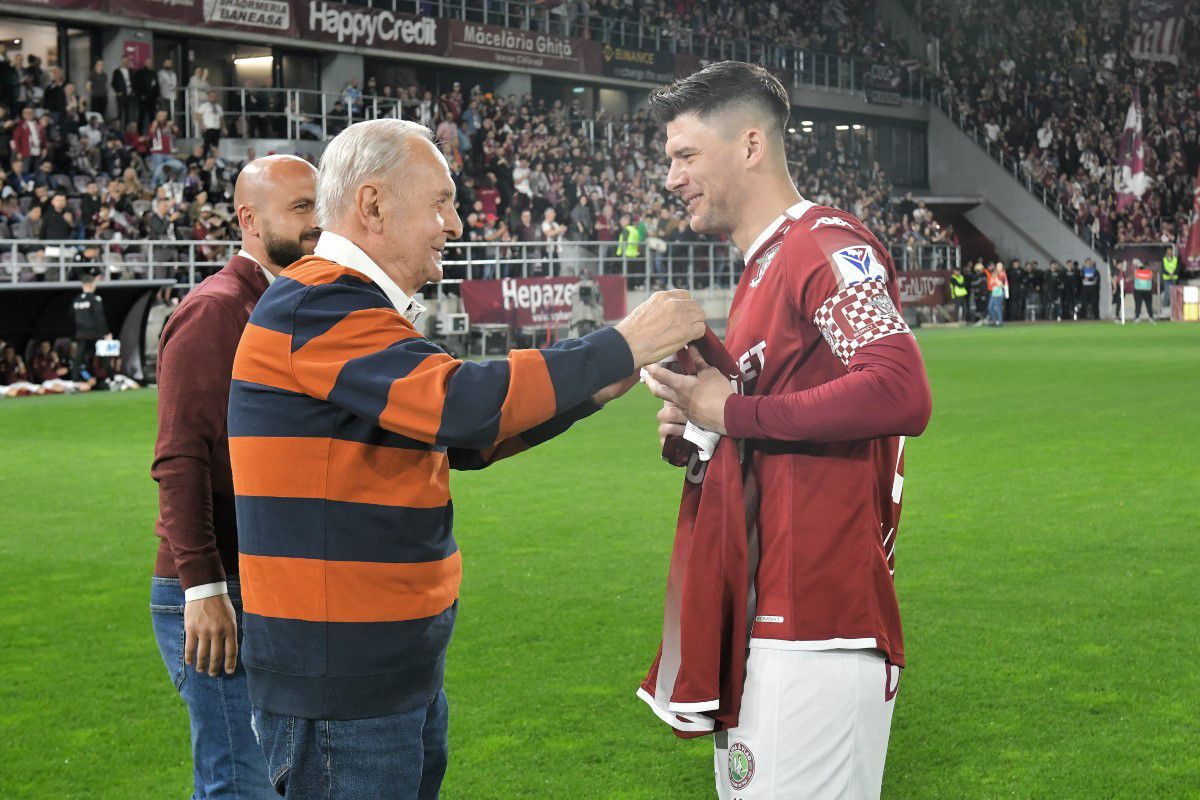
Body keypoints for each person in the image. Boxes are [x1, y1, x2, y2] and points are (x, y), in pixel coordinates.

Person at [228, 118, 704, 800]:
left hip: (378, 671)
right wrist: (619, 343)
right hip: (343, 683)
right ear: (372, 207)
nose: (454, 224)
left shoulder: (344, 304)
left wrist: (596, 385)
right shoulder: (318, 301)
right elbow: (462, 405)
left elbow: (461, 439)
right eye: (441, 203)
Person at [640, 61, 931, 800]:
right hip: (767, 618)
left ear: (750, 145)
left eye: (685, 155)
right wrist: (702, 427)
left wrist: (732, 413)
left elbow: (900, 387)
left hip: (820, 624)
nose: (671, 178)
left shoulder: (823, 243)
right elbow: (774, 423)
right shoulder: (761, 270)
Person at [150, 154, 322, 800]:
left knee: (270, 781)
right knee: (241, 785)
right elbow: (179, 457)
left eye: (320, 205)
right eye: (301, 207)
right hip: (216, 587)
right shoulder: (216, 310)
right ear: (249, 219)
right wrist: (202, 586)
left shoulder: (287, 303)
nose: (318, 221)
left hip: (263, 579)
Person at [72, 269, 110, 378]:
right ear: (91, 284)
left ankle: (75, 381)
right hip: (95, 334)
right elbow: (99, 317)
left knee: (78, 359)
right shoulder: (95, 299)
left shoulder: (76, 300)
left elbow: (71, 317)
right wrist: (106, 332)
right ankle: (111, 379)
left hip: (81, 334)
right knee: (104, 357)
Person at [1131, 259, 1156, 323]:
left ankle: (1137, 317)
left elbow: (1132, 280)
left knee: (1138, 304)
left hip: (1138, 290)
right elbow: (1153, 281)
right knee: (1148, 304)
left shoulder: (1136, 272)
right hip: (1147, 290)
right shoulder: (1150, 272)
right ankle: (1151, 317)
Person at [987, 260, 1008, 326]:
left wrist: (995, 278)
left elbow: (1000, 284)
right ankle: (994, 321)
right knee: (990, 307)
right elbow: (990, 283)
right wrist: (995, 279)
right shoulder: (995, 273)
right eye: (998, 266)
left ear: (1002, 267)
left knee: (997, 306)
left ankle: (1000, 322)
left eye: (1000, 266)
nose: (999, 267)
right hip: (995, 291)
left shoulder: (1002, 274)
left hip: (1000, 291)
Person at [1161, 245, 1179, 316]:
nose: (1169, 252)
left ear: (1172, 252)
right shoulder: (1164, 260)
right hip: (1166, 279)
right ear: (1166, 252)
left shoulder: (1175, 259)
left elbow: (1177, 268)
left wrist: (1173, 273)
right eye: (1168, 251)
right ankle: (1166, 308)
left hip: (1174, 278)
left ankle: (1175, 308)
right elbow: (1163, 269)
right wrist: (1169, 274)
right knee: (1166, 293)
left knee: (1174, 293)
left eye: (1170, 251)